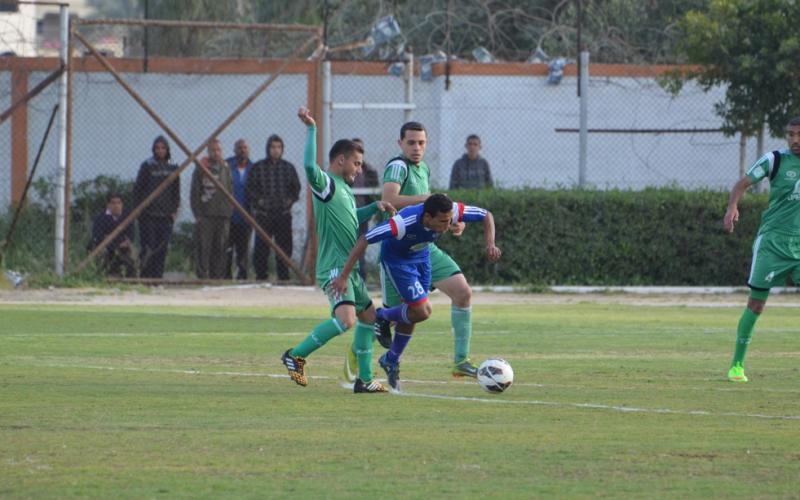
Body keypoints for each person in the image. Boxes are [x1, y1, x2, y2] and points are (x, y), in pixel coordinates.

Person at [332, 193, 501, 391]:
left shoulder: (450, 212)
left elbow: (486, 215)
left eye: (449, 221)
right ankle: (381, 318)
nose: (448, 226)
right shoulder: (403, 223)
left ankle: (391, 359)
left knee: (414, 313)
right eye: (443, 222)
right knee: (421, 311)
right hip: (397, 263)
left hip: (422, 257)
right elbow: (365, 239)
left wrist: (490, 244)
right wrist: (343, 276)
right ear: (427, 217)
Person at [280, 107, 396, 393]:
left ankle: (364, 380)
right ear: (341, 160)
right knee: (346, 320)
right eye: (356, 163)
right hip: (335, 267)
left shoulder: (343, 189)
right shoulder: (327, 184)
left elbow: (351, 219)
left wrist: (375, 207)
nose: (359, 169)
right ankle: (296, 355)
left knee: (369, 317)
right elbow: (309, 168)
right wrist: (311, 128)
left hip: (350, 268)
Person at [377, 121, 485, 378]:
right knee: (400, 317)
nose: (417, 147)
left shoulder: (422, 168)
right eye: (411, 142)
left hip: (424, 248)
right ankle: (358, 362)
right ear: (400, 143)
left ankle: (460, 362)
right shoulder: (398, 166)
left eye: (421, 143)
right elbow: (390, 200)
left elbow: (429, 212)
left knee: (463, 293)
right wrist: (426, 198)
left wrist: (452, 223)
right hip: (398, 251)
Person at [723, 116, 800, 383]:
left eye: (798, 135)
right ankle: (736, 365)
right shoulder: (775, 159)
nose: (794, 140)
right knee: (756, 304)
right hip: (772, 243)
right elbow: (742, 184)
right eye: (790, 134)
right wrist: (732, 206)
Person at [246, 134, 301, 282]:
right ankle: (261, 277)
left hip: (283, 215)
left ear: (282, 149)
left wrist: (288, 202)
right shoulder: (258, 167)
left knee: (284, 248)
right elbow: (250, 190)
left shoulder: (288, 168)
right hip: (264, 215)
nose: (276, 150)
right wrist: (260, 202)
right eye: (273, 147)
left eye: (279, 147)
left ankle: (283, 278)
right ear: (267, 149)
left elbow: (296, 189)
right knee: (261, 248)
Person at [132, 135, 180, 279]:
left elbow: (176, 190)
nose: (160, 151)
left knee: (162, 248)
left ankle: (158, 277)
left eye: (163, 148)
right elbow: (138, 189)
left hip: (165, 215)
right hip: (148, 214)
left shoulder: (173, 164)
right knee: (148, 247)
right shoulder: (147, 165)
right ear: (153, 149)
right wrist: (139, 209)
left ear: (167, 149)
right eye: (157, 148)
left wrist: (174, 209)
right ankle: (146, 276)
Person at [191, 138, 233, 279]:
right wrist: (197, 213)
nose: (216, 153)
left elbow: (230, 188)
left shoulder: (226, 167)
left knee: (220, 249)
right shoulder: (201, 167)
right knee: (204, 248)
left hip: (223, 215)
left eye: (218, 150)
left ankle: (217, 278)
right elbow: (194, 191)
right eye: (213, 150)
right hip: (206, 215)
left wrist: (229, 210)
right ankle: (202, 277)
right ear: (208, 151)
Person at [351, 138, 381, 278]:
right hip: (346, 214)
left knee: (361, 246)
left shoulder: (369, 171)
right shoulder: (343, 171)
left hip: (362, 216)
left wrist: (369, 211)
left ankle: (360, 277)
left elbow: (374, 194)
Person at [89, 193, 137, 278]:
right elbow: (98, 236)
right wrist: (115, 243)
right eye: (113, 203)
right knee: (101, 251)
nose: (116, 206)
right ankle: (101, 275)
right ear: (108, 205)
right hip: (106, 246)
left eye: (119, 203)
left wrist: (126, 241)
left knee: (133, 251)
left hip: (123, 246)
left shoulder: (127, 216)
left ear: (122, 204)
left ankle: (131, 277)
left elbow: (131, 234)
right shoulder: (100, 218)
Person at [225, 139, 253, 280]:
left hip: (246, 216)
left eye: (245, 147)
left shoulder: (253, 168)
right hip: (228, 216)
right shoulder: (227, 165)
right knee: (227, 249)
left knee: (243, 250)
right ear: (235, 150)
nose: (242, 150)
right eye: (239, 147)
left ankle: (242, 277)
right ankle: (225, 277)